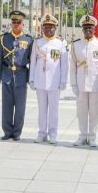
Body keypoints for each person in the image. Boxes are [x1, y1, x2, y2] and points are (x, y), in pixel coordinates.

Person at [70, 15, 98, 147]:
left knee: (94, 112)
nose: (88, 30)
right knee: (81, 112)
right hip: (80, 84)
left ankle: (92, 136)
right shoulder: (76, 45)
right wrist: (73, 84)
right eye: (85, 27)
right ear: (82, 29)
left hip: (95, 84)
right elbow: (73, 67)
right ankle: (82, 136)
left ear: (94, 28)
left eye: (90, 27)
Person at [30, 14, 69, 143]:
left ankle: (53, 133)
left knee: (53, 109)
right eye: (46, 27)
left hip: (54, 81)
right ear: (42, 28)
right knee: (42, 109)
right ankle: (42, 133)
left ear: (55, 28)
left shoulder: (61, 43)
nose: (49, 29)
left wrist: (63, 80)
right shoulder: (37, 42)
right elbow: (33, 61)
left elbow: (64, 64)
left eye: (51, 27)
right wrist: (32, 79)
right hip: (40, 80)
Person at [0, 10, 33, 141]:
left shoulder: (29, 40)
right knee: (6, 105)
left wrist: (31, 78)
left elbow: (32, 61)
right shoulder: (4, 38)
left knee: (20, 107)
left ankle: (17, 132)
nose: (16, 24)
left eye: (19, 22)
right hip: (7, 73)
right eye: (14, 22)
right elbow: (0, 58)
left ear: (23, 24)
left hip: (21, 74)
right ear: (11, 23)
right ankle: (7, 131)